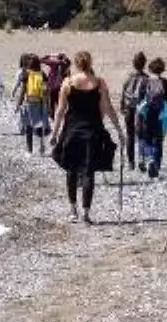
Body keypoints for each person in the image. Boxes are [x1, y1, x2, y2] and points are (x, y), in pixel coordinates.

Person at [49, 51, 125, 224]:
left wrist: (54, 134)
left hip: (72, 132)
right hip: (93, 132)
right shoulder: (99, 83)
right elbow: (108, 108)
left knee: (71, 170)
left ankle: (73, 210)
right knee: (89, 172)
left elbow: (60, 111)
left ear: (75, 64)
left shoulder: (68, 82)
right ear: (90, 62)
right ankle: (86, 213)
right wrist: (119, 130)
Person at [135, 57, 167, 179]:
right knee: (158, 140)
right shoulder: (166, 83)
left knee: (146, 139)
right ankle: (156, 165)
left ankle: (149, 159)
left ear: (150, 68)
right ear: (162, 69)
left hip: (145, 115)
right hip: (160, 115)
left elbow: (139, 100)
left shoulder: (144, 81)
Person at [119, 52, 149, 172]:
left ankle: (131, 162)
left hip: (129, 109)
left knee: (130, 135)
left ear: (133, 64)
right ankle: (142, 161)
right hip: (141, 110)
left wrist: (122, 106)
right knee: (142, 136)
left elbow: (123, 93)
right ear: (144, 64)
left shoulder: (129, 78)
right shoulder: (147, 79)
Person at [17, 55, 50, 155]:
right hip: (40, 102)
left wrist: (19, 103)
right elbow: (45, 91)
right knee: (40, 125)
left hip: (29, 102)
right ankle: (41, 147)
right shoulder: (43, 74)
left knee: (28, 126)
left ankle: (29, 149)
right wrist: (48, 105)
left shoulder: (26, 74)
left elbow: (23, 90)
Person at [40, 53, 70, 122]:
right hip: (60, 87)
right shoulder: (64, 65)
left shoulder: (54, 63)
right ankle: (61, 116)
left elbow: (41, 60)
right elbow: (69, 62)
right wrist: (64, 57)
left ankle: (52, 117)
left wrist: (49, 55)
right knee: (60, 102)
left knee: (51, 103)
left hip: (51, 86)